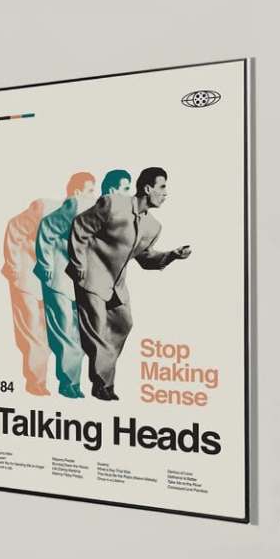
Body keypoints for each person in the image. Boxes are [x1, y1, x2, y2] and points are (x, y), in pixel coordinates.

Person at [64, 165, 192, 400]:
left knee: (124, 324)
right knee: (98, 329)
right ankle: (103, 385)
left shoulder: (153, 227)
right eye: (162, 187)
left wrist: (172, 255)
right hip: (91, 277)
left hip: (116, 286)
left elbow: (145, 259)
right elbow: (80, 228)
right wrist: (79, 263)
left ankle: (103, 377)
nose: (166, 193)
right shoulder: (113, 203)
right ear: (147, 188)